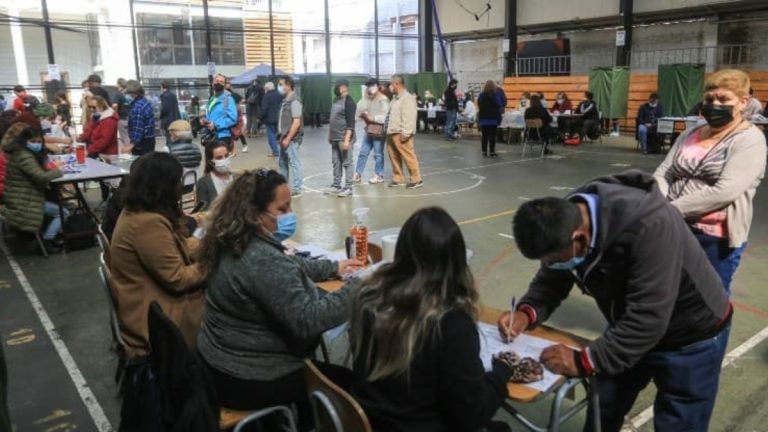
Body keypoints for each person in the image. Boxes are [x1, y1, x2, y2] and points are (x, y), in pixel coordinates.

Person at [498, 170, 733, 432]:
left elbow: (648, 319)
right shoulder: (567, 218)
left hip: (692, 333)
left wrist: (582, 361)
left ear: (579, 239)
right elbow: (552, 278)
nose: (550, 265)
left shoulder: (649, 225)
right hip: (632, 322)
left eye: (553, 260)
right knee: (604, 406)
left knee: (679, 421)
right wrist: (526, 312)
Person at [195, 168, 362, 431]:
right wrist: (360, 284)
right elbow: (308, 320)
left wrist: (332, 268)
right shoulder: (260, 258)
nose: (290, 214)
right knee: (352, 386)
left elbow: (286, 263)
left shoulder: (232, 238)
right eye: (282, 209)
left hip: (219, 362)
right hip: (248, 377)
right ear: (255, 214)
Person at [350, 207, 516, 432]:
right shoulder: (450, 323)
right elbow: (470, 415)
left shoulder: (368, 299)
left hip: (374, 421)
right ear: (457, 261)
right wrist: (501, 373)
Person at [654, 69, 767, 295]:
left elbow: (725, 191)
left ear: (743, 102)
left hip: (714, 238)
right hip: (674, 228)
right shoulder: (690, 134)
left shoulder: (750, 140)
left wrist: (669, 209)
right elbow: (664, 172)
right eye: (709, 99)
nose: (715, 105)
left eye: (723, 99)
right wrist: (661, 202)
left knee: (708, 302)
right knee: (667, 292)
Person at [110, 152, 205, 358]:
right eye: (177, 182)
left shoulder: (138, 211)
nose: (180, 187)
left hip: (149, 302)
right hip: (158, 319)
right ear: (164, 186)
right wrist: (212, 262)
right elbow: (178, 279)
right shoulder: (147, 223)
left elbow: (178, 245)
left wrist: (210, 245)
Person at [1, 123, 67, 253]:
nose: (37, 144)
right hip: (21, 200)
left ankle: (46, 234)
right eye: (33, 141)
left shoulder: (13, 152)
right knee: (62, 211)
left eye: (38, 142)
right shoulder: (23, 155)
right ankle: (47, 240)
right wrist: (59, 170)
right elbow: (40, 176)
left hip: (18, 195)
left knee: (54, 196)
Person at [386, 74, 422, 189]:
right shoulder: (395, 98)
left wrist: (406, 133)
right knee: (394, 157)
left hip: (401, 133)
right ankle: (398, 178)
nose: (390, 86)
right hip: (391, 132)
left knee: (408, 156)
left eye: (391, 83)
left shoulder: (407, 98)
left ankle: (416, 179)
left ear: (396, 84)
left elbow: (409, 117)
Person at [325, 78, 357, 198]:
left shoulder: (349, 102)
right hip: (334, 138)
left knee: (347, 163)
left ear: (344, 87)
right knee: (336, 162)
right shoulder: (336, 100)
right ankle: (336, 185)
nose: (336, 88)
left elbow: (351, 123)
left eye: (338, 86)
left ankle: (348, 187)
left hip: (344, 138)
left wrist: (347, 140)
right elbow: (332, 119)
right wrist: (330, 134)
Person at [355, 78, 390, 185]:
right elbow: (359, 109)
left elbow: (385, 117)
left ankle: (379, 175)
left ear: (377, 86)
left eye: (372, 85)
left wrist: (372, 118)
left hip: (379, 130)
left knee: (378, 154)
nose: (370, 88)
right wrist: (365, 97)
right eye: (368, 86)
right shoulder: (369, 98)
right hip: (369, 128)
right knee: (363, 152)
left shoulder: (383, 99)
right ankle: (358, 174)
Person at [277, 75, 304, 197]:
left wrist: (288, 138)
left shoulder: (295, 101)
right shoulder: (285, 101)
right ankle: (283, 187)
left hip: (291, 139)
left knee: (294, 163)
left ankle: (297, 189)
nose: (279, 87)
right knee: (283, 163)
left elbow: (296, 122)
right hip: (283, 137)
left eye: (281, 84)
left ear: (288, 86)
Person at [203, 74, 238, 152]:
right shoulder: (212, 98)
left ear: (224, 85)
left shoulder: (228, 99)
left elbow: (233, 119)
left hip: (222, 137)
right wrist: (205, 120)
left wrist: (216, 125)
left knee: (221, 159)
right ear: (213, 82)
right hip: (211, 135)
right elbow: (211, 115)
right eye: (217, 81)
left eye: (221, 82)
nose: (218, 83)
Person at [196, 141, 233, 211]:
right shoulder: (204, 183)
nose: (224, 160)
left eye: (226, 156)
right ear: (210, 161)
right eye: (219, 158)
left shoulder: (237, 178)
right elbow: (202, 210)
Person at [123, 80, 156, 156]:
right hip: (150, 139)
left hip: (142, 143)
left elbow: (138, 127)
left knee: (141, 162)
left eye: (127, 93)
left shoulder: (137, 107)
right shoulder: (145, 101)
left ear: (133, 93)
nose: (125, 95)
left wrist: (132, 144)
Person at [478, 80, 503, 158]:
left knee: (484, 136)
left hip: (484, 119)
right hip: (493, 119)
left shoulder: (481, 95)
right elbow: (499, 105)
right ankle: (492, 152)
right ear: (493, 87)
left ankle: (484, 152)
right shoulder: (495, 95)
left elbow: (479, 105)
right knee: (492, 136)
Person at [260, 82, 283, 158]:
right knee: (279, 135)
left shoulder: (266, 97)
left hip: (270, 119)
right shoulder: (280, 95)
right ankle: (282, 151)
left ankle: (276, 152)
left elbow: (264, 109)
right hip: (279, 118)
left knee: (271, 136)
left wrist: (259, 117)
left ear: (266, 88)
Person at [225, 81, 248, 154]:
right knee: (232, 133)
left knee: (238, 133)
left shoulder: (232, 95)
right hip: (232, 117)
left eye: (228, 85)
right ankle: (231, 149)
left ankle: (243, 146)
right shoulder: (224, 95)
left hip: (237, 118)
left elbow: (239, 99)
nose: (227, 86)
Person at [159, 81, 180, 146]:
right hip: (175, 119)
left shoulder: (165, 96)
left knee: (169, 137)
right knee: (174, 136)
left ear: (162, 87)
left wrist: (160, 116)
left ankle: (170, 150)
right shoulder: (173, 95)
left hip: (168, 120)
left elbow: (164, 109)